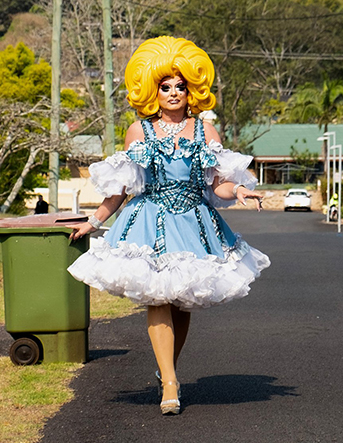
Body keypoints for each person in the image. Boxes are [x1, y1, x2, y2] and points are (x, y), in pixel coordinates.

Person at [66, 36, 269, 415]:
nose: (174, 93)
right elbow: (121, 190)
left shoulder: (205, 133)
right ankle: (171, 383)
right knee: (158, 297)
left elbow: (216, 184)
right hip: (148, 222)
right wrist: (91, 222)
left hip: (193, 222)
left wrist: (240, 189)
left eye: (180, 86)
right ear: (152, 91)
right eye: (165, 87)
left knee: (181, 302)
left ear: (193, 90)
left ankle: (166, 369)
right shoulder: (138, 132)